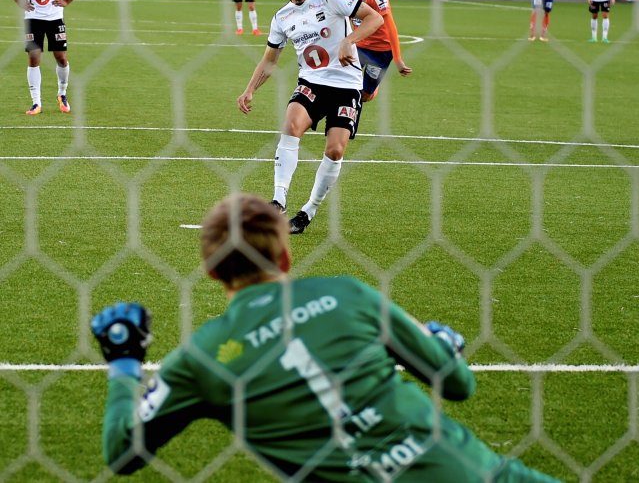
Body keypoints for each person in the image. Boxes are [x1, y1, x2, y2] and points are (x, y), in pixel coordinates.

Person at [91, 193, 561, 482]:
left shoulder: (201, 357)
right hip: (477, 473)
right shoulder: (348, 294)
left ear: (212, 271)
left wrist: (125, 362)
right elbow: (458, 385)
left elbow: (123, 453)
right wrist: (441, 347)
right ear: (286, 259)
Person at [237, 0, 384, 235]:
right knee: (291, 125)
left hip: (347, 85)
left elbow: (375, 18)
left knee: (335, 150)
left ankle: (308, 211)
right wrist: (249, 89)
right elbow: (269, 60)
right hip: (312, 82)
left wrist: (348, 40)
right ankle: (278, 200)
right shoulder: (281, 17)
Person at [0, 0, 86, 116]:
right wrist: (18, 0)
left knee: (61, 57)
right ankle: (36, 102)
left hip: (55, 17)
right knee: (33, 57)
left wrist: (67, 1)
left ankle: (62, 94)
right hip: (33, 18)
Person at [346, 0, 412, 103]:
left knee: (365, 96)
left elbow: (390, 25)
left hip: (380, 53)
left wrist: (398, 59)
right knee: (345, 85)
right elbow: (349, 19)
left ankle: (372, 89)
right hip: (360, 49)